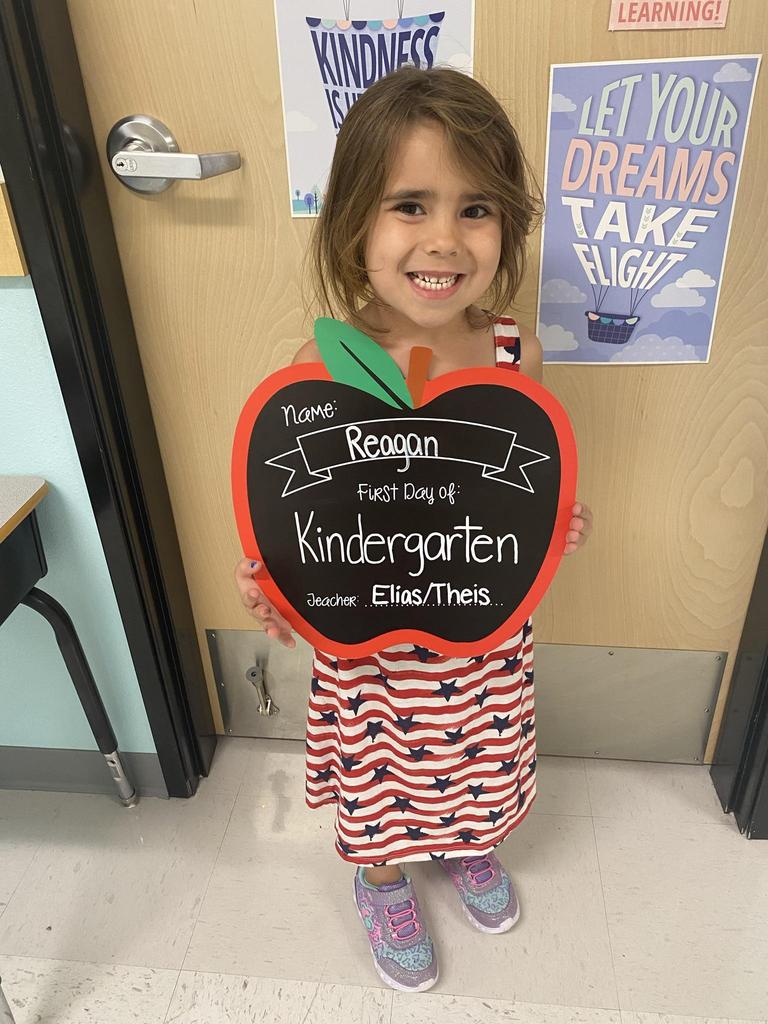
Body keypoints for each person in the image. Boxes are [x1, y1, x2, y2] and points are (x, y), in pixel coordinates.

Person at [235, 65, 592, 993]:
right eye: (409, 205)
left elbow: (527, 487)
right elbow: (296, 517)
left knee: (480, 752)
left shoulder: (514, 353)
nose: (443, 239)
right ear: (355, 223)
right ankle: (383, 878)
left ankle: (469, 840)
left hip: (480, 630)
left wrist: (556, 524)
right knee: (380, 770)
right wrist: (272, 578)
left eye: (475, 208)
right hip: (370, 651)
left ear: (508, 223)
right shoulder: (322, 367)